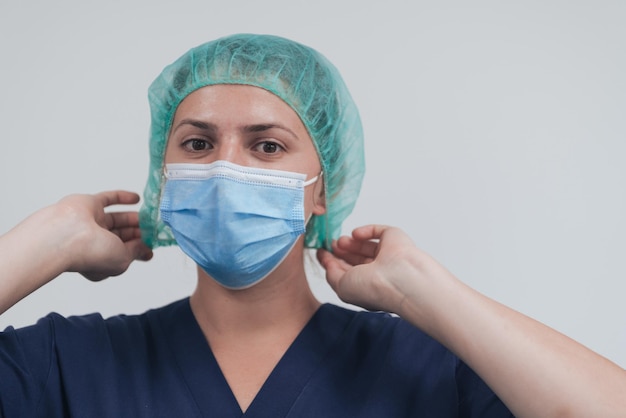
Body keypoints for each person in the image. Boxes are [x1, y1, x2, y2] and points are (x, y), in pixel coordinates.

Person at [0, 34, 624, 418]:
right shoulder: (65, 364)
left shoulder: (430, 371)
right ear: (163, 174)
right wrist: (48, 240)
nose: (224, 168)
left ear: (324, 186)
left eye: (267, 147)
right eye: (196, 144)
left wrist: (427, 292)